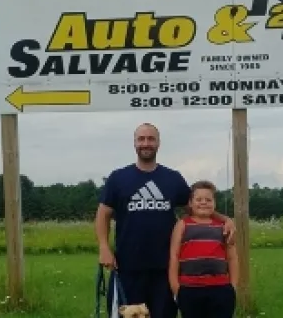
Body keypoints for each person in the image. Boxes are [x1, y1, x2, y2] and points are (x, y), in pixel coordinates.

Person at [96, 122, 236, 318]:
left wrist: (225, 219)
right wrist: (104, 247)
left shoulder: (172, 178)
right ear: (134, 143)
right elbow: (103, 214)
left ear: (158, 143)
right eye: (141, 139)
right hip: (128, 266)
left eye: (151, 139)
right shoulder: (118, 178)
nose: (146, 143)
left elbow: (197, 207)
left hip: (164, 269)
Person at [169, 180, 238, 318]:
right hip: (189, 289)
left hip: (221, 288)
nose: (203, 203)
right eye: (199, 199)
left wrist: (233, 287)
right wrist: (176, 289)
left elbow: (232, 257)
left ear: (215, 203)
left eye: (208, 200)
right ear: (190, 203)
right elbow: (174, 256)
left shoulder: (224, 226)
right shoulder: (182, 225)